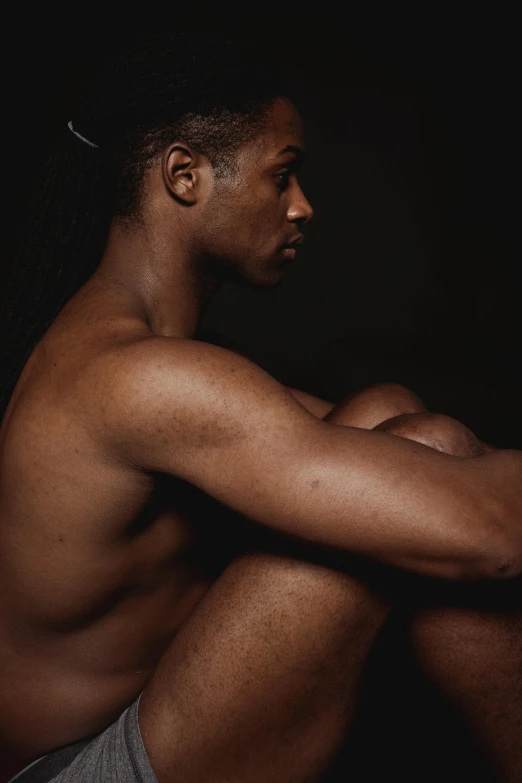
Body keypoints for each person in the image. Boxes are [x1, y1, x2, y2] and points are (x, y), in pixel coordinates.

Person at [0, 33, 520, 783]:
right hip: (76, 769)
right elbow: (492, 533)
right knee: (430, 472)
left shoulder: (154, 354)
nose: (303, 208)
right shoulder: (135, 376)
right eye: (284, 176)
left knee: (390, 416)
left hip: (148, 716)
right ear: (185, 176)